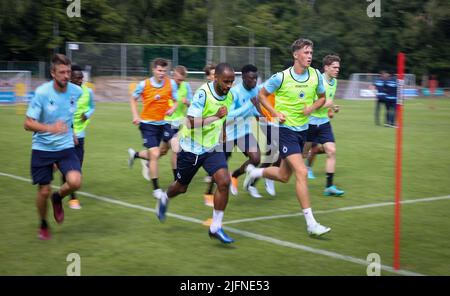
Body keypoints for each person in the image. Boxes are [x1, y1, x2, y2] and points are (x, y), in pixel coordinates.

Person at [244, 38, 331, 236]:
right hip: (285, 131)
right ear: (296, 55)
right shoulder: (281, 77)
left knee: (284, 176)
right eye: (306, 52)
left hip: (303, 131)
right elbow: (261, 95)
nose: (310, 56)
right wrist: (274, 113)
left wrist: (311, 108)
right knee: (301, 172)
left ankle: (255, 173)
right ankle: (311, 224)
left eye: (311, 52)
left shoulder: (316, 75)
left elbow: (323, 98)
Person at [155, 63, 236, 244]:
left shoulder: (229, 96)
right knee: (181, 188)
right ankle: (164, 196)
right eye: (226, 82)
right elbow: (190, 123)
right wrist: (215, 116)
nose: (229, 86)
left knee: (224, 181)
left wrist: (222, 132)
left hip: (211, 148)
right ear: (215, 78)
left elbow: (224, 116)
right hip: (191, 148)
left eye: (232, 82)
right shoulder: (203, 93)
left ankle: (216, 227)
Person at [24, 54, 83, 240]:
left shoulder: (76, 91)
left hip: (65, 146)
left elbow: (68, 114)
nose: (66, 75)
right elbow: (27, 123)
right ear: (53, 73)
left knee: (75, 181)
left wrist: (71, 131)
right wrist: (50, 128)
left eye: (68, 72)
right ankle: (43, 223)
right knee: (43, 191)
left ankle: (58, 198)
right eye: (62, 72)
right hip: (42, 148)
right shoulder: (42, 93)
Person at [127, 58, 178, 199]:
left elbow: (176, 100)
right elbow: (133, 99)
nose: (162, 73)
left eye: (164, 71)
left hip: (164, 123)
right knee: (155, 154)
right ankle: (156, 189)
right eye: (160, 70)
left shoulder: (171, 83)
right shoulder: (144, 84)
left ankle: (135, 155)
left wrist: (172, 108)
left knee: (167, 149)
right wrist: (135, 115)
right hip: (147, 125)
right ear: (154, 70)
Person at [140, 65, 193, 182]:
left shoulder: (186, 86)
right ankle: (176, 179)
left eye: (183, 80)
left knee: (163, 151)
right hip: (166, 122)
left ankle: (141, 157)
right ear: (173, 75)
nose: (180, 82)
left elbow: (192, 104)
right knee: (176, 149)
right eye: (178, 79)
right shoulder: (166, 85)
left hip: (180, 122)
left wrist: (187, 102)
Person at [304, 54, 344, 196]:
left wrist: (332, 108)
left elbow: (327, 103)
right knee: (302, 154)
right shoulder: (317, 80)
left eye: (338, 67)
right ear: (326, 67)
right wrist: (328, 104)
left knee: (331, 151)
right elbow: (312, 105)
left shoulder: (334, 82)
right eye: (334, 67)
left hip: (324, 123)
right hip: (310, 123)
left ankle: (329, 186)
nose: (337, 70)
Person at [61, 65, 96, 209]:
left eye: (82, 77)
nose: (81, 80)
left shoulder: (88, 91)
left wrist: (86, 114)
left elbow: (92, 107)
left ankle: (64, 189)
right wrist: (70, 132)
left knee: (78, 166)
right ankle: (72, 198)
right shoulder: (64, 93)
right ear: (70, 78)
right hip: (66, 134)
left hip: (81, 134)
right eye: (77, 77)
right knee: (68, 167)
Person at [225, 64, 262, 198]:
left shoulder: (255, 90)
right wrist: (249, 105)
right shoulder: (234, 92)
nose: (254, 81)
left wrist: (259, 112)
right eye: (251, 78)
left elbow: (257, 112)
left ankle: (234, 175)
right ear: (244, 78)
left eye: (256, 78)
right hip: (228, 133)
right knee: (220, 166)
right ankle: (210, 195)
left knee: (256, 158)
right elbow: (229, 116)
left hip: (244, 132)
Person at [202, 63, 218, 206]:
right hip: (202, 134)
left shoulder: (224, 91)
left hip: (217, 134)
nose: (215, 76)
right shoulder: (203, 92)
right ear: (208, 76)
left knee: (218, 168)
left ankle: (208, 193)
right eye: (213, 74)